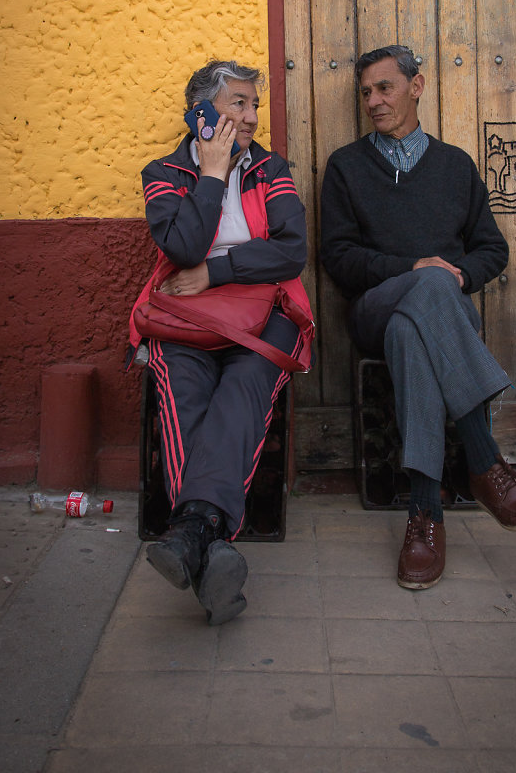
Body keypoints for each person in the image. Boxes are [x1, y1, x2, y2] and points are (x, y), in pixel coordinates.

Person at [320, 45, 516, 591]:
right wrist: (415, 269)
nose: (374, 101)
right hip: (374, 306)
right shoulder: (347, 167)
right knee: (421, 290)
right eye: (366, 92)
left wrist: (455, 278)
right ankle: (487, 462)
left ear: (416, 86)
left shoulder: (455, 166)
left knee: (414, 329)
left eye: (385, 88)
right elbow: (340, 259)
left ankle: (425, 516)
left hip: (429, 316)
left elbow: (492, 250)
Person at [129, 60, 314, 624]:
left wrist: (217, 272)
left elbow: (291, 251)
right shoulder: (163, 172)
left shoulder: (269, 168)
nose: (252, 117)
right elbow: (183, 246)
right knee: (184, 389)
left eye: (254, 105)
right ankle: (211, 542)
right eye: (238, 104)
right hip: (184, 315)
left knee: (245, 384)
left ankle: (189, 534)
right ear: (203, 112)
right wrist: (211, 174)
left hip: (267, 308)